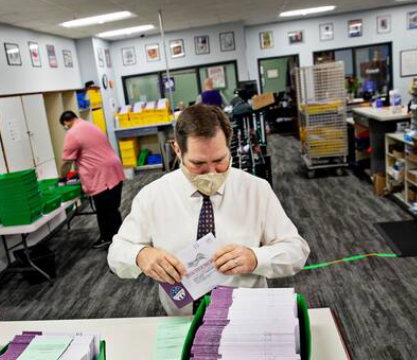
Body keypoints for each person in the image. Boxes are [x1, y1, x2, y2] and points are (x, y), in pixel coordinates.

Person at [107, 104, 310, 315]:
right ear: (177, 150)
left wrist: (255, 258)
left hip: (247, 318)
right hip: (184, 321)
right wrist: (140, 254)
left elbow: (297, 250)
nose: (211, 173)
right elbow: (116, 255)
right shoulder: (153, 196)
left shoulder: (256, 190)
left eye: (220, 161)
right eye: (198, 164)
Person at [60, 110, 125, 249]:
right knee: (112, 209)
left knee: (105, 210)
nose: (65, 128)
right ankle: (116, 238)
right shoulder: (90, 126)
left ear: (66, 122)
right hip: (114, 170)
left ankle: (112, 240)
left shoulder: (72, 132)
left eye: (64, 126)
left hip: (101, 176)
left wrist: (62, 178)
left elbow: (66, 162)